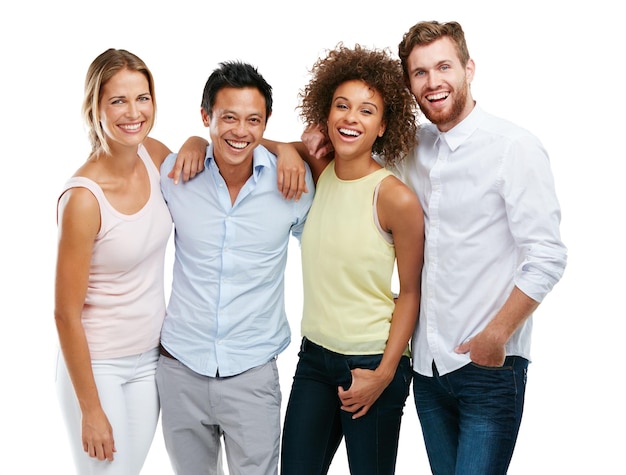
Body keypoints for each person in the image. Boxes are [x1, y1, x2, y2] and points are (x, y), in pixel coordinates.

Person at [301, 20, 568, 475]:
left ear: (469, 69)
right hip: (428, 369)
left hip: (488, 367)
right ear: (409, 84)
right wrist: (292, 148)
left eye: (443, 66)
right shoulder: (412, 146)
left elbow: (547, 256)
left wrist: (496, 335)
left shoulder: (513, 147)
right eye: (420, 73)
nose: (433, 81)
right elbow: (350, 155)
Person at [156, 60, 315, 475]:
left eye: (253, 120)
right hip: (180, 368)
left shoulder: (292, 187)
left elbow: (326, 248)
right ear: (206, 116)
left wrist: (286, 150)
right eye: (228, 117)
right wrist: (192, 142)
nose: (240, 131)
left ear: (265, 124)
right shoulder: (176, 176)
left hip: (252, 372)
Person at [273, 44, 424, 475]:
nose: (350, 119)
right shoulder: (320, 172)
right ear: (326, 114)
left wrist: (384, 374)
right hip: (314, 360)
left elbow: (411, 292)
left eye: (366, 111)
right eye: (341, 106)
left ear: (382, 126)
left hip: (373, 362)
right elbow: (249, 141)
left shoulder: (394, 198)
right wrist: (287, 148)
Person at [54, 48, 205, 474]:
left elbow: (214, 158)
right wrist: (90, 409)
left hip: (151, 359)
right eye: (118, 100)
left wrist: (196, 139)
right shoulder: (83, 199)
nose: (133, 112)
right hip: (97, 365)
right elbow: (65, 313)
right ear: (95, 108)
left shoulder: (153, 155)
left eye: (143, 98)